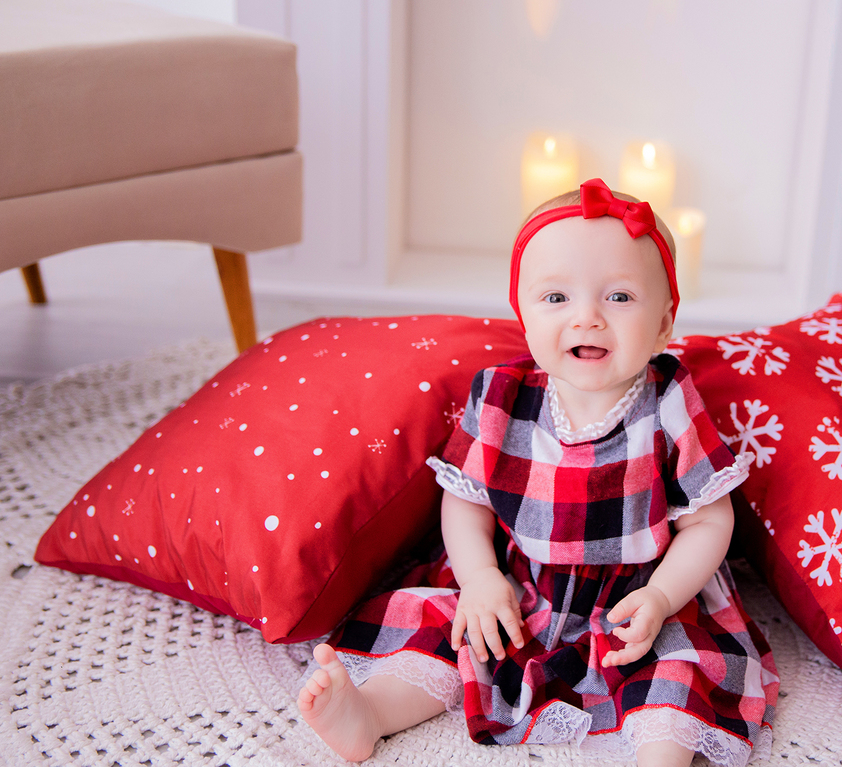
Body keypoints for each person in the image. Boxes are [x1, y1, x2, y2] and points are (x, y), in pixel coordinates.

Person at [298, 178, 778, 766]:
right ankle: (371, 712)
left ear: (664, 323)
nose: (588, 319)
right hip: (522, 585)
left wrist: (661, 594)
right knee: (460, 638)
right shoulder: (501, 396)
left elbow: (708, 521)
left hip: (638, 596)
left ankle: (661, 759)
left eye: (620, 297)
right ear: (522, 316)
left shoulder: (670, 400)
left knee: (674, 672)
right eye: (556, 299)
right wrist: (477, 576)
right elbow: (466, 500)